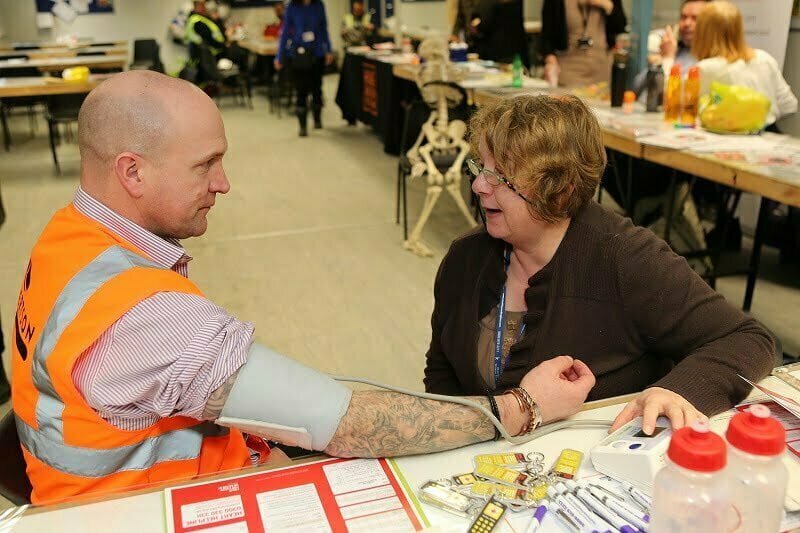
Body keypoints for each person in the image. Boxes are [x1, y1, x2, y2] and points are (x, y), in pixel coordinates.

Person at [11, 71, 596, 505]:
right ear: (132, 172)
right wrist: (521, 407)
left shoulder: (69, 239)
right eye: (205, 164)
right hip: (148, 507)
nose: (224, 183)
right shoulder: (138, 316)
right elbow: (338, 417)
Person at [423, 94, 775, 436]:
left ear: (560, 190)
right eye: (480, 166)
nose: (479, 185)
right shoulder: (466, 257)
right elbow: (442, 372)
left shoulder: (625, 258)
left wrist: (680, 391)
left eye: (500, 176)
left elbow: (746, 338)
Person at [693, 0, 797, 129]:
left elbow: (679, 105)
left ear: (701, 32)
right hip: (769, 135)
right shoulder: (764, 58)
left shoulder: (706, 68)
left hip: (727, 139)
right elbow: (789, 105)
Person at [275, 0, 334, 137]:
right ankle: (302, 126)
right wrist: (279, 56)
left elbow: (324, 29)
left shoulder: (318, 5)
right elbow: (285, 34)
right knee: (301, 90)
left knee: (317, 88)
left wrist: (329, 50)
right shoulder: (292, 7)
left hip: (317, 54)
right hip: (299, 54)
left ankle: (317, 119)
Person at [540, 0, 626, 87]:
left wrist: (606, 5)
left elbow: (621, 26)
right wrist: (551, 63)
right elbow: (546, 37)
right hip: (568, 71)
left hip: (602, 69)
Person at [632, 0, 710, 97]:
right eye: (683, 17)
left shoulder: (708, 59)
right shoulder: (673, 48)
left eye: (695, 18)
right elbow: (635, 88)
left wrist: (668, 58)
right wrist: (655, 65)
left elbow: (674, 96)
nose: (687, 23)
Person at [472, 0, 528, 67]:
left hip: (497, 52)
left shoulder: (489, 3)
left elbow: (483, 24)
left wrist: (476, 25)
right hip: (516, 49)